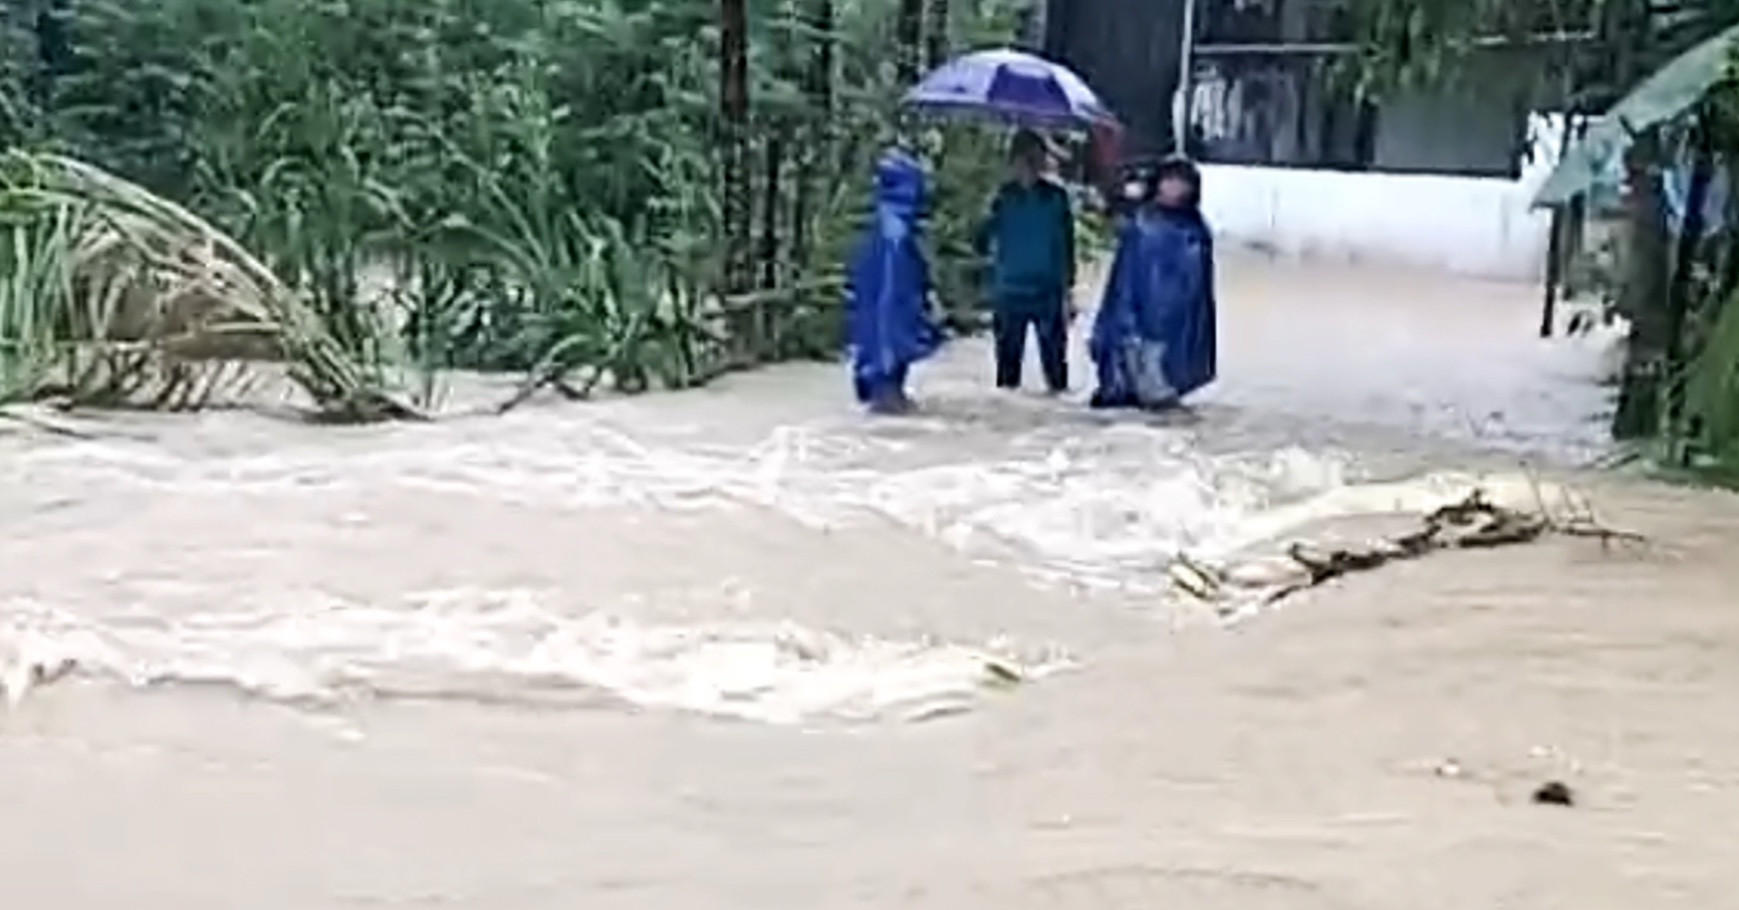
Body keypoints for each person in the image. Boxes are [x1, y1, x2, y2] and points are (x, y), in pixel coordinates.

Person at [1088, 155, 1217, 411]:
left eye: (1181, 182)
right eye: (1170, 180)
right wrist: (1118, 326)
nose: (1174, 187)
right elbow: (1123, 279)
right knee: (1135, 399)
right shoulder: (1141, 225)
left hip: (1174, 327)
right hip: (1137, 326)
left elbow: (1199, 291)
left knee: (1161, 401)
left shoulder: (1196, 230)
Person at [976, 129, 1077, 393]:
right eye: (1022, 159)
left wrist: (1068, 292)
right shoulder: (1002, 198)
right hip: (1010, 291)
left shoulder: (1056, 198)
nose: (1028, 166)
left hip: (1048, 291)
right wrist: (986, 210)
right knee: (1007, 377)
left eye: (1034, 159)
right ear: (1012, 161)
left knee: (1056, 372)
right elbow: (981, 240)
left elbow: (1066, 247)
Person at [846, 147, 941, 415]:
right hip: (886, 356)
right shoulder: (894, 234)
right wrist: (885, 360)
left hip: (884, 353)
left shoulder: (888, 227)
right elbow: (886, 303)